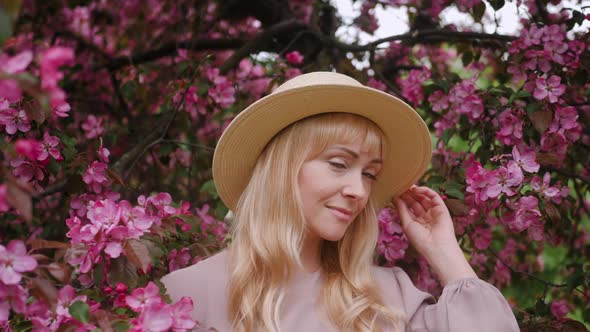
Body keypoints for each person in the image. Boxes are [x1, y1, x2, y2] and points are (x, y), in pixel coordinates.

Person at [161, 72, 520, 332]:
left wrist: (445, 253)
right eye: (339, 164)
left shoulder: (387, 298)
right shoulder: (187, 295)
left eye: (369, 174)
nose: (359, 192)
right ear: (282, 169)